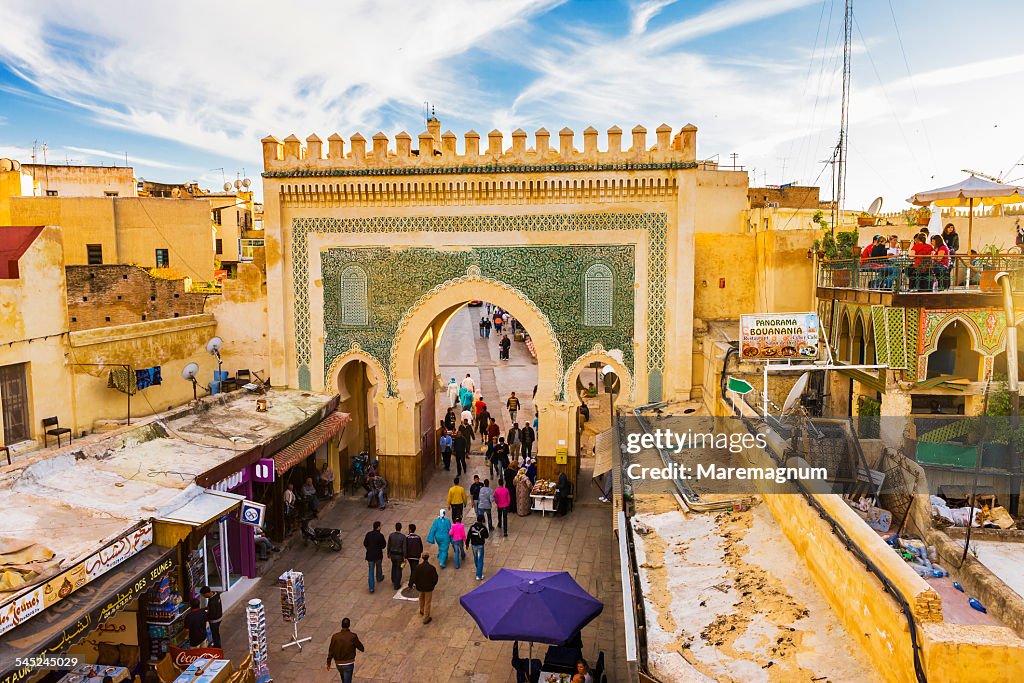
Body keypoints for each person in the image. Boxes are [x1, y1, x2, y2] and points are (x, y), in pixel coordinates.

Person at [325, 617, 364, 683]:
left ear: (341, 625)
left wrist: (328, 663)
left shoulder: (335, 636)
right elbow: (361, 647)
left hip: (338, 663)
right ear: (349, 625)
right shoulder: (352, 636)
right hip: (349, 663)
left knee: (344, 679)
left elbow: (331, 651)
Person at [412, 553, 439, 624]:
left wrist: (416, 584)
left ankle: (421, 610)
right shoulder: (431, 568)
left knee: (421, 598)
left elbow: (414, 577)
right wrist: (432, 585)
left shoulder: (418, 567)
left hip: (420, 587)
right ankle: (426, 618)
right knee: (427, 602)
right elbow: (435, 578)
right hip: (428, 587)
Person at [363, 521, 386, 593]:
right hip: (378, 555)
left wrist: (368, 549)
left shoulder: (368, 534)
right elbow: (383, 545)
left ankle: (371, 588)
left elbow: (365, 543)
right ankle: (379, 578)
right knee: (379, 567)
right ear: (378, 527)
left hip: (370, 555)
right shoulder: (380, 535)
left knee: (371, 571)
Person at [467, 514, 489, 580]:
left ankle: (479, 572)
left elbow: (468, 536)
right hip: (480, 546)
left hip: (474, 545)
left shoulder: (472, 527)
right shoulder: (483, 528)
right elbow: (487, 536)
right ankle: (478, 575)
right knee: (480, 560)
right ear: (482, 520)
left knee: (476, 559)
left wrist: (467, 544)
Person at [387, 522, 407, 591]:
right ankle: (397, 584)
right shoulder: (403, 537)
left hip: (392, 554)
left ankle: (393, 579)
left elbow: (389, 545)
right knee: (399, 569)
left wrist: (388, 553)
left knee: (393, 566)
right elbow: (404, 548)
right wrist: (405, 556)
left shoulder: (391, 535)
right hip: (399, 556)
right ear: (401, 528)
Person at [405, 524, 423, 589]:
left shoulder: (406, 537)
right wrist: (419, 553)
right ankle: (411, 583)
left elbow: (405, 546)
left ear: (410, 529)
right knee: (414, 570)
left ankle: (413, 581)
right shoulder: (418, 537)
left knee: (412, 569)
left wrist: (405, 555)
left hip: (409, 556)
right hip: (416, 556)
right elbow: (421, 547)